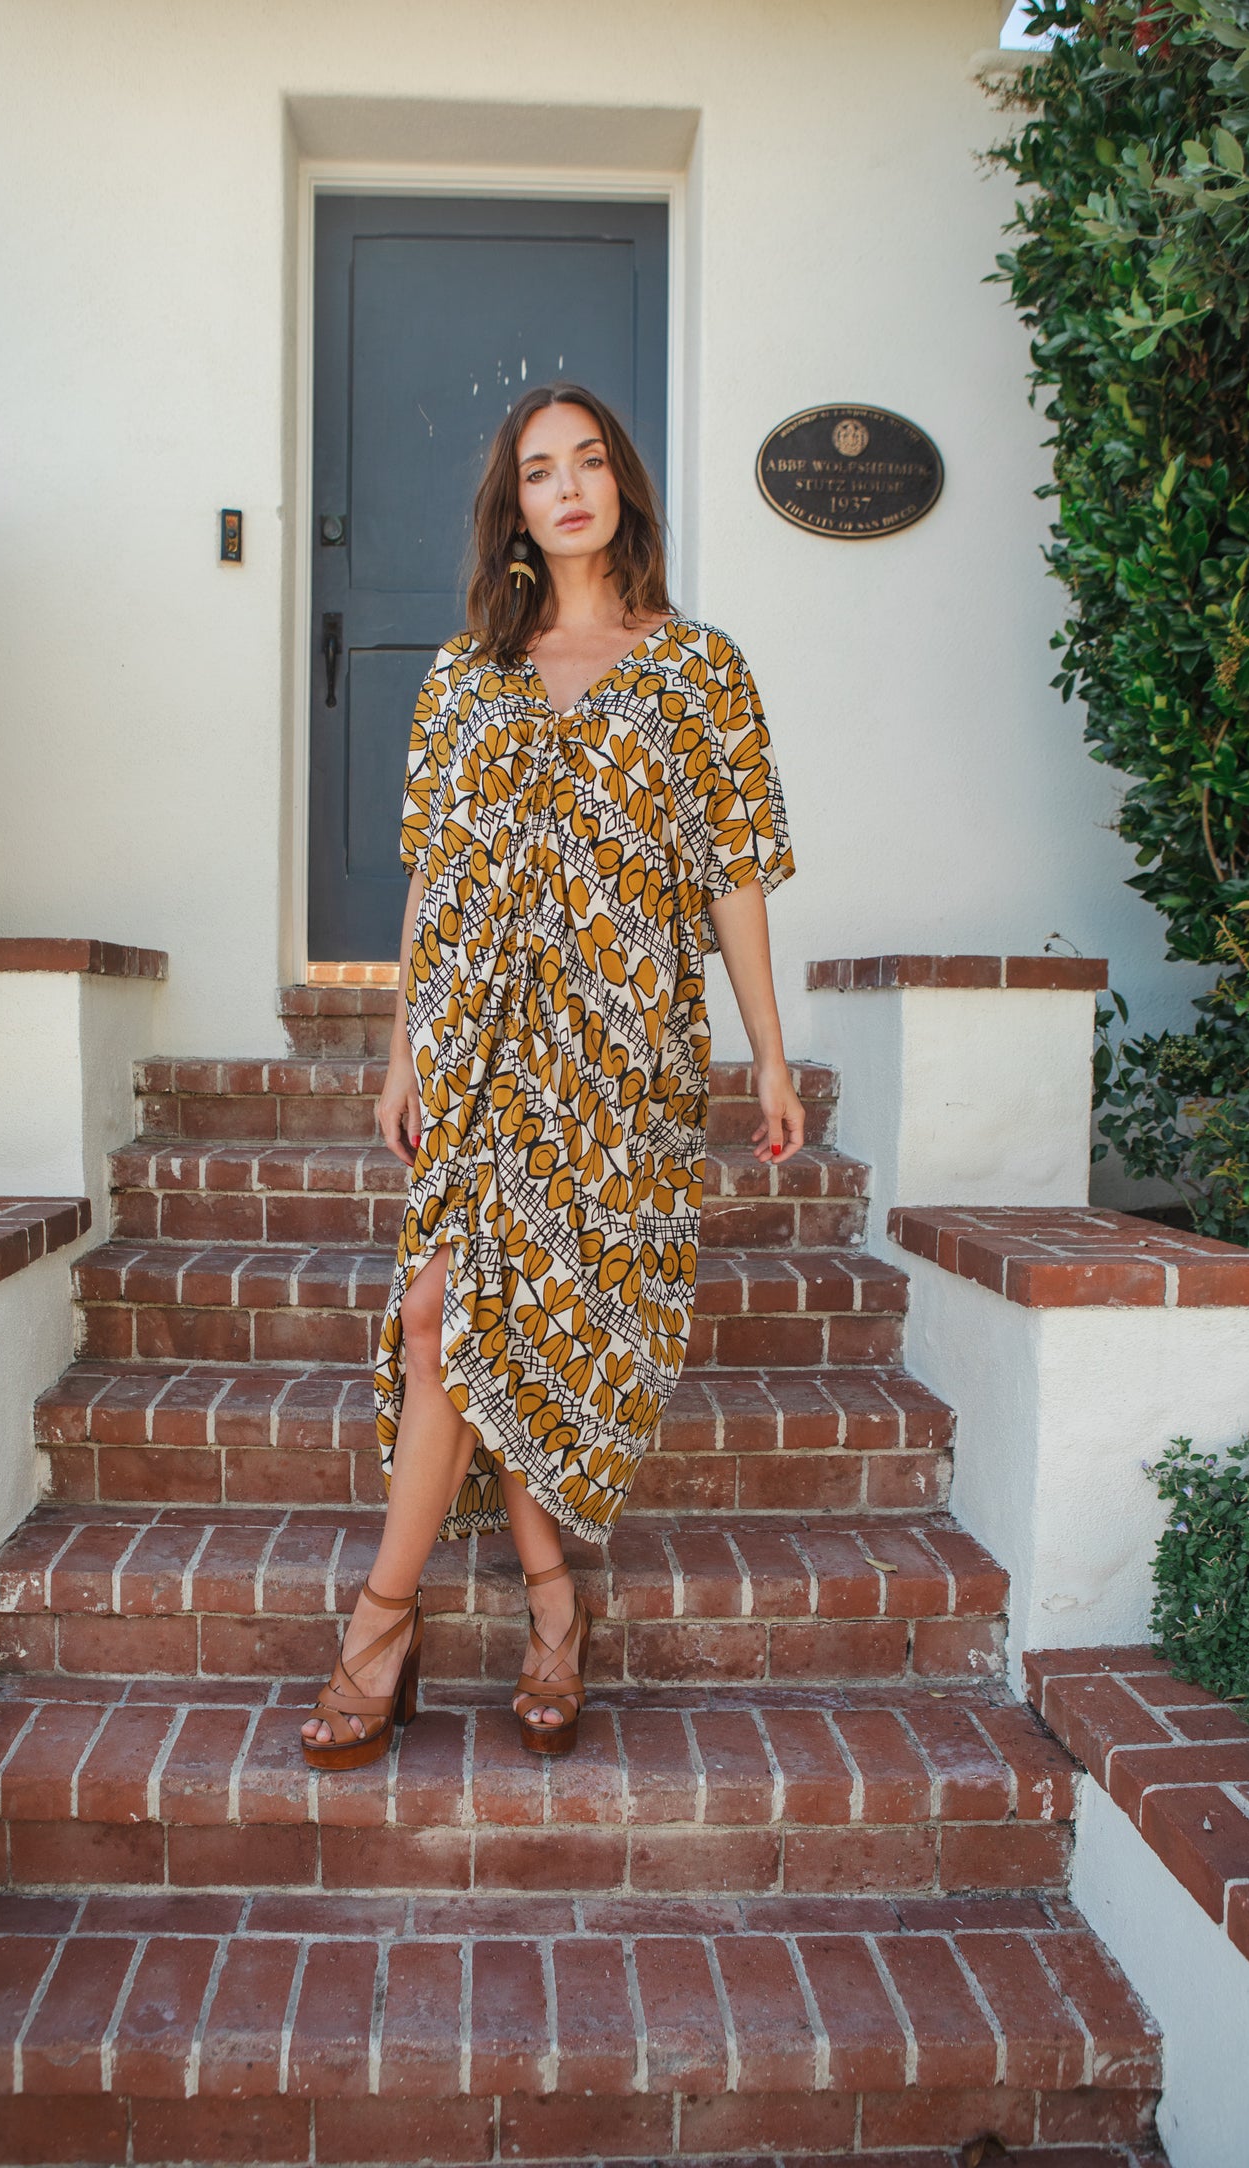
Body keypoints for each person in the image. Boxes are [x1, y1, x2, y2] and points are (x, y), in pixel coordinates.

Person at [301, 382, 801, 1768]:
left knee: (483, 1331)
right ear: (511, 504)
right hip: (476, 1048)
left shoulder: (699, 669)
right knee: (443, 1317)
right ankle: (496, 1613)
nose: (567, 486)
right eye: (538, 469)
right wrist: (402, 1046)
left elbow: (737, 876)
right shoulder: (463, 674)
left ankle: (421, 1625)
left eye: (588, 461)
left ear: (622, 487)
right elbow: (430, 874)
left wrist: (764, 1055)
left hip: (617, 1061)